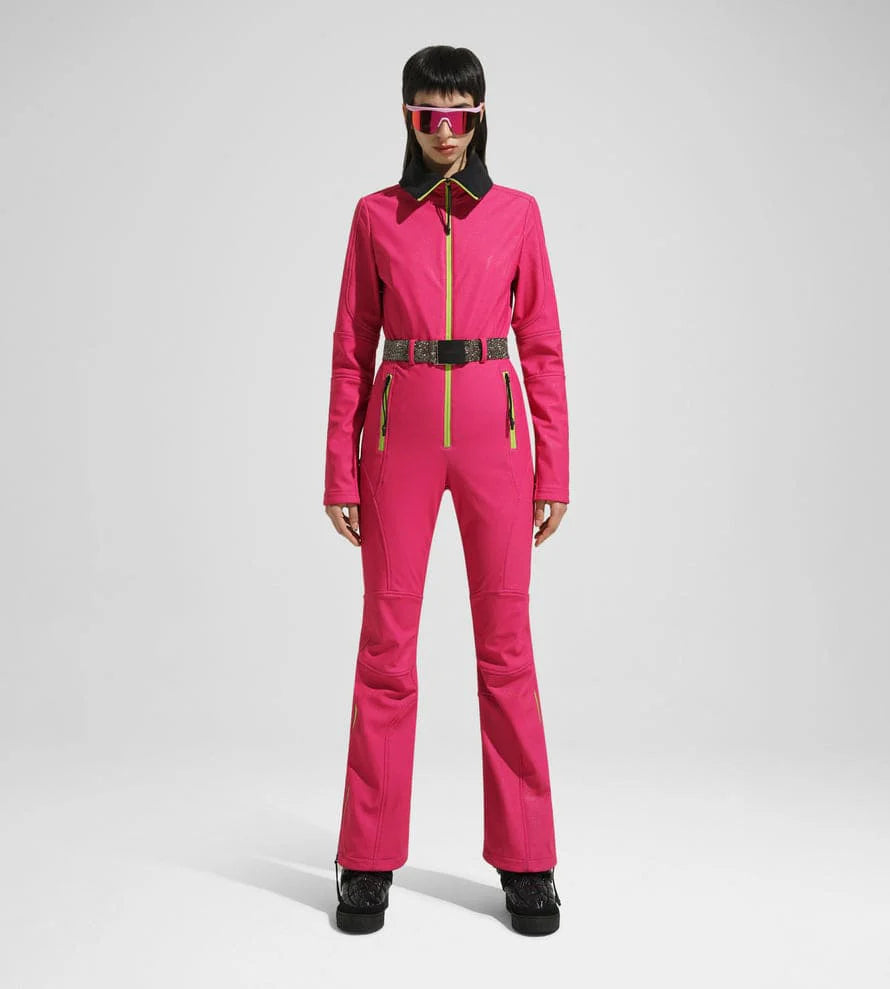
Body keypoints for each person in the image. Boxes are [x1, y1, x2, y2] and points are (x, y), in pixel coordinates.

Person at [323, 45, 569, 936]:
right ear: (407, 117)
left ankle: (528, 859)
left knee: (507, 650)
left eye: (459, 113)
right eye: (429, 112)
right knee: (386, 650)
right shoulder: (374, 216)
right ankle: (366, 858)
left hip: (496, 443)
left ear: (480, 116)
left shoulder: (518, 214)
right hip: (400, 442)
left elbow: (542, 345)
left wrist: (554, 467)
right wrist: (340, 469)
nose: (444, 129)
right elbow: (351, 347)